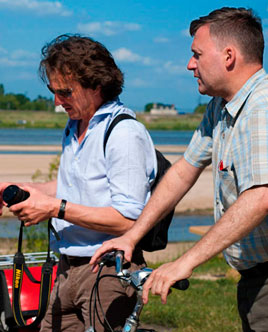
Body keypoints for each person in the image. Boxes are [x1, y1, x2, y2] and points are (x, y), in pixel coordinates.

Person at [90, 7, 268, 332]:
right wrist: (132, 236)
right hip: (255, 275)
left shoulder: (261, 109)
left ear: (229, 56)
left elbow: (260, 197)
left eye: (197, 55)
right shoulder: (221, 106)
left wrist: (184, 263)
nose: (190, 65)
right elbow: (184, 169)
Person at [0, 35, 157, 332]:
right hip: (67, 268)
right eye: (53, 91)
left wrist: (54, 208)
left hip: (108, 271)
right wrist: (26, 190)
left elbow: (130, 220)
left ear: (96, 85)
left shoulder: (124, 133)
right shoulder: (76, 125)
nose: (57, 102)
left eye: (65, 92)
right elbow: (71, 188)